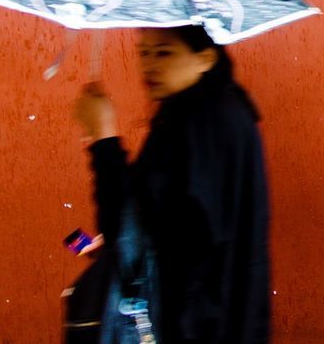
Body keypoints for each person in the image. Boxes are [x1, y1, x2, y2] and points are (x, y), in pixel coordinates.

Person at [73, 26, 271, 343]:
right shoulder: (224, 111)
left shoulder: (197, 125)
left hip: (187, 321)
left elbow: (129, 224)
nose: (150, 65)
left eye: (164, 52)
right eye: (144, 53)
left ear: (205, 58)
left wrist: (103, 135)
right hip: (224, 318)